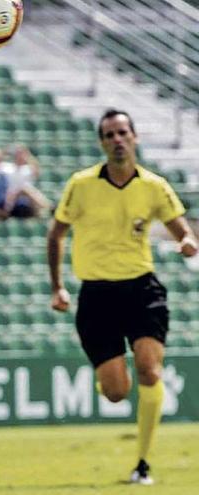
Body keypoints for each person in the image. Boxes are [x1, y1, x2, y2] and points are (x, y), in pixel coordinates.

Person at [47, 109, 198, 485]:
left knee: (149, 370)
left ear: (134, 138)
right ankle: (108, 379)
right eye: (109, 134)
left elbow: (181, 229)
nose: (117, 139)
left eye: (122, 132)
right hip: (96, 295)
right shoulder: (81, 185)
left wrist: (188, 241)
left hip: (141, 290)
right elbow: (56, 235)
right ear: (101, 142)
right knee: (116, 392)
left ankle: (142, 463)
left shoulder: (154, 186)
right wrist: (57, 287)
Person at [0, 144, 50, 215]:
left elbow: (37, 171)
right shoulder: (7, 168)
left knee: (26, 190)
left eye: (22, 154)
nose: (20, 156)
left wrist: (28, 155)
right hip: (11, 196)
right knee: (24, 189)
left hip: (27, 198)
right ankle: (48, 207)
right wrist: (7, 151)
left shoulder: (27, 169)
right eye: (18, 154)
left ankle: (44, 210)